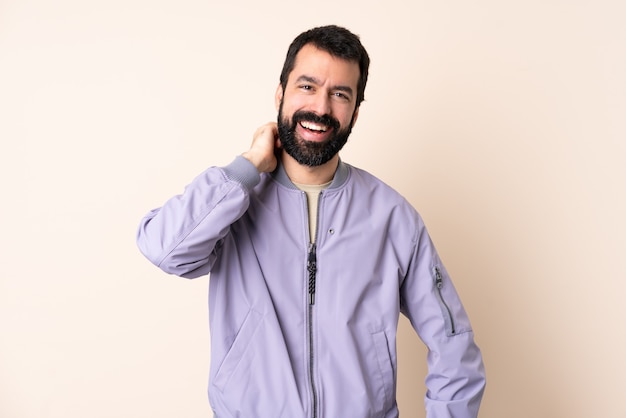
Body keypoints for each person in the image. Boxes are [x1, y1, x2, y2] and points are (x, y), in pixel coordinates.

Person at [137, 25, 486, 418]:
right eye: (307, 86)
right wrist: (248, 167)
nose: (321, 108)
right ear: (280, 93)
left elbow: (454, 344)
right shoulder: (233, 202)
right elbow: (164, 249)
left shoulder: (391, 216)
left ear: (354, 112)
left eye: (340, 94)